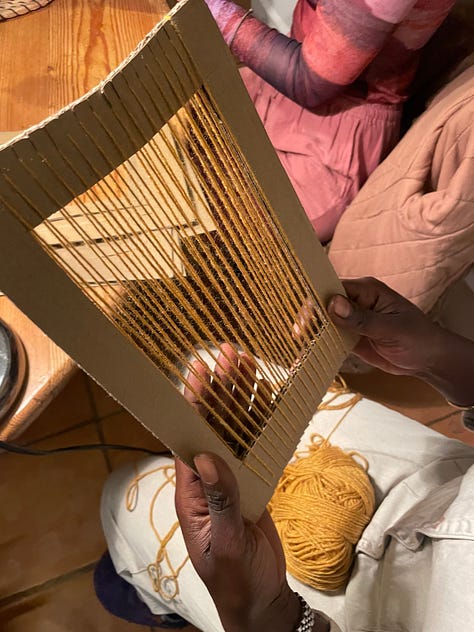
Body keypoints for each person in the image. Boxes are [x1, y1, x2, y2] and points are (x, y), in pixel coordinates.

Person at [97, 277, 474, 631]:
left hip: (360, 613)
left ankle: (158, 603)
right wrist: (444, 356)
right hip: (438, 487)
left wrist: (266, 612)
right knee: (210, 365)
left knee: (121, 492)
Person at [202, 0, 456, 243]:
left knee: (222, 220)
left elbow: (310, 85)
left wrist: (210, 7)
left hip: (331, 140)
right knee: (182, 132)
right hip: (278, 87)